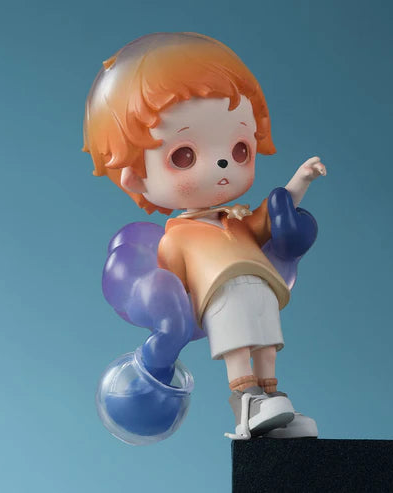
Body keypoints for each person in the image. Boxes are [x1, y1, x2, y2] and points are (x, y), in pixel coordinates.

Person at [83, 32, 326, 439]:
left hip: (260, 286)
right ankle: (246, 401)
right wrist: (170, 327)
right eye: (184, 155)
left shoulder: (239, 220)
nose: (222, 164)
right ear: (136, 177)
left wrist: (301, 180)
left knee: (267, 343)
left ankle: (272, 398)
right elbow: (177, 288)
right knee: (238, 344)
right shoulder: (178, 236)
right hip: (220, 295)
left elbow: (274, 214)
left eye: (239, 148)